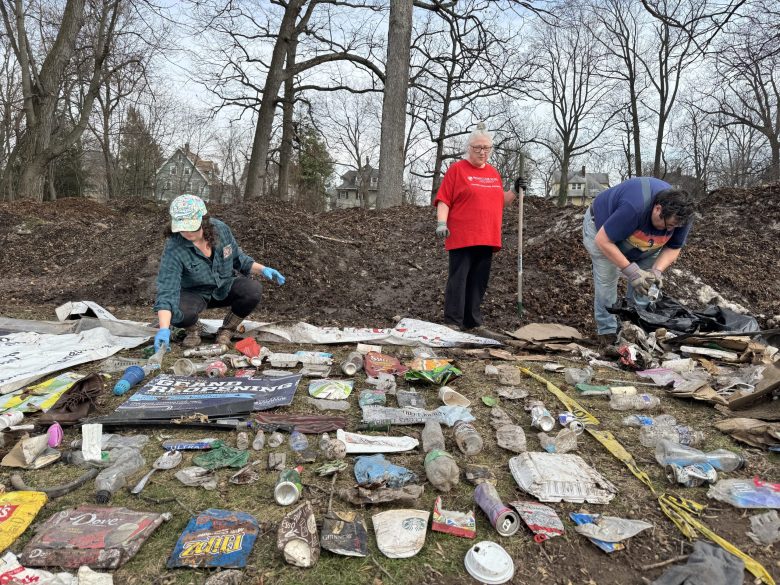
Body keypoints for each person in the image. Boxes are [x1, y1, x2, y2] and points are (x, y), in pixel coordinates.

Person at [153, 194, 286, 351]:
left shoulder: (221, 230)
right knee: (176, 311)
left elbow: (238, 259)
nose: (187, 233)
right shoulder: (174, 248)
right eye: (182, 228)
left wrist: (263, 269)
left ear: (204, 221)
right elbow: (167, 289)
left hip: (224, 286)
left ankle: (227, 330)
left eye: (192, 227)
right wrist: (163, 329)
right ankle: (193, 330)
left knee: (252, 289)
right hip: (193, 293)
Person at [434, 123, 525, 335]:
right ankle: (453, 321)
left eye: (487, 148)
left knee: (478, 282)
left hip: (487, 236)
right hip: (463, 236)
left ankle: (472, 322)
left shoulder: (493, 173)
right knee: (459, 278)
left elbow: (500, 202)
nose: (482, 152)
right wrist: (441, 223)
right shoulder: (457, 170)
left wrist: (514, 190)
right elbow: (444, 199)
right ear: (469, 148)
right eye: (478, 148)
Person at [582, 177, 695, 345]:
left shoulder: (680, 217)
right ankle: (607, 332)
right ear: (658, 209)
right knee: (607, 281)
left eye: (673, 227)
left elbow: (673, 247)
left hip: (644, 241)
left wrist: (656, 271)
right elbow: (603, 240)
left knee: (646, 284)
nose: (669, 230)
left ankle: (636, 327)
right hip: (602, 230)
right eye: (666, 225)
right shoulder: (634, 208)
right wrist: (632, 272)